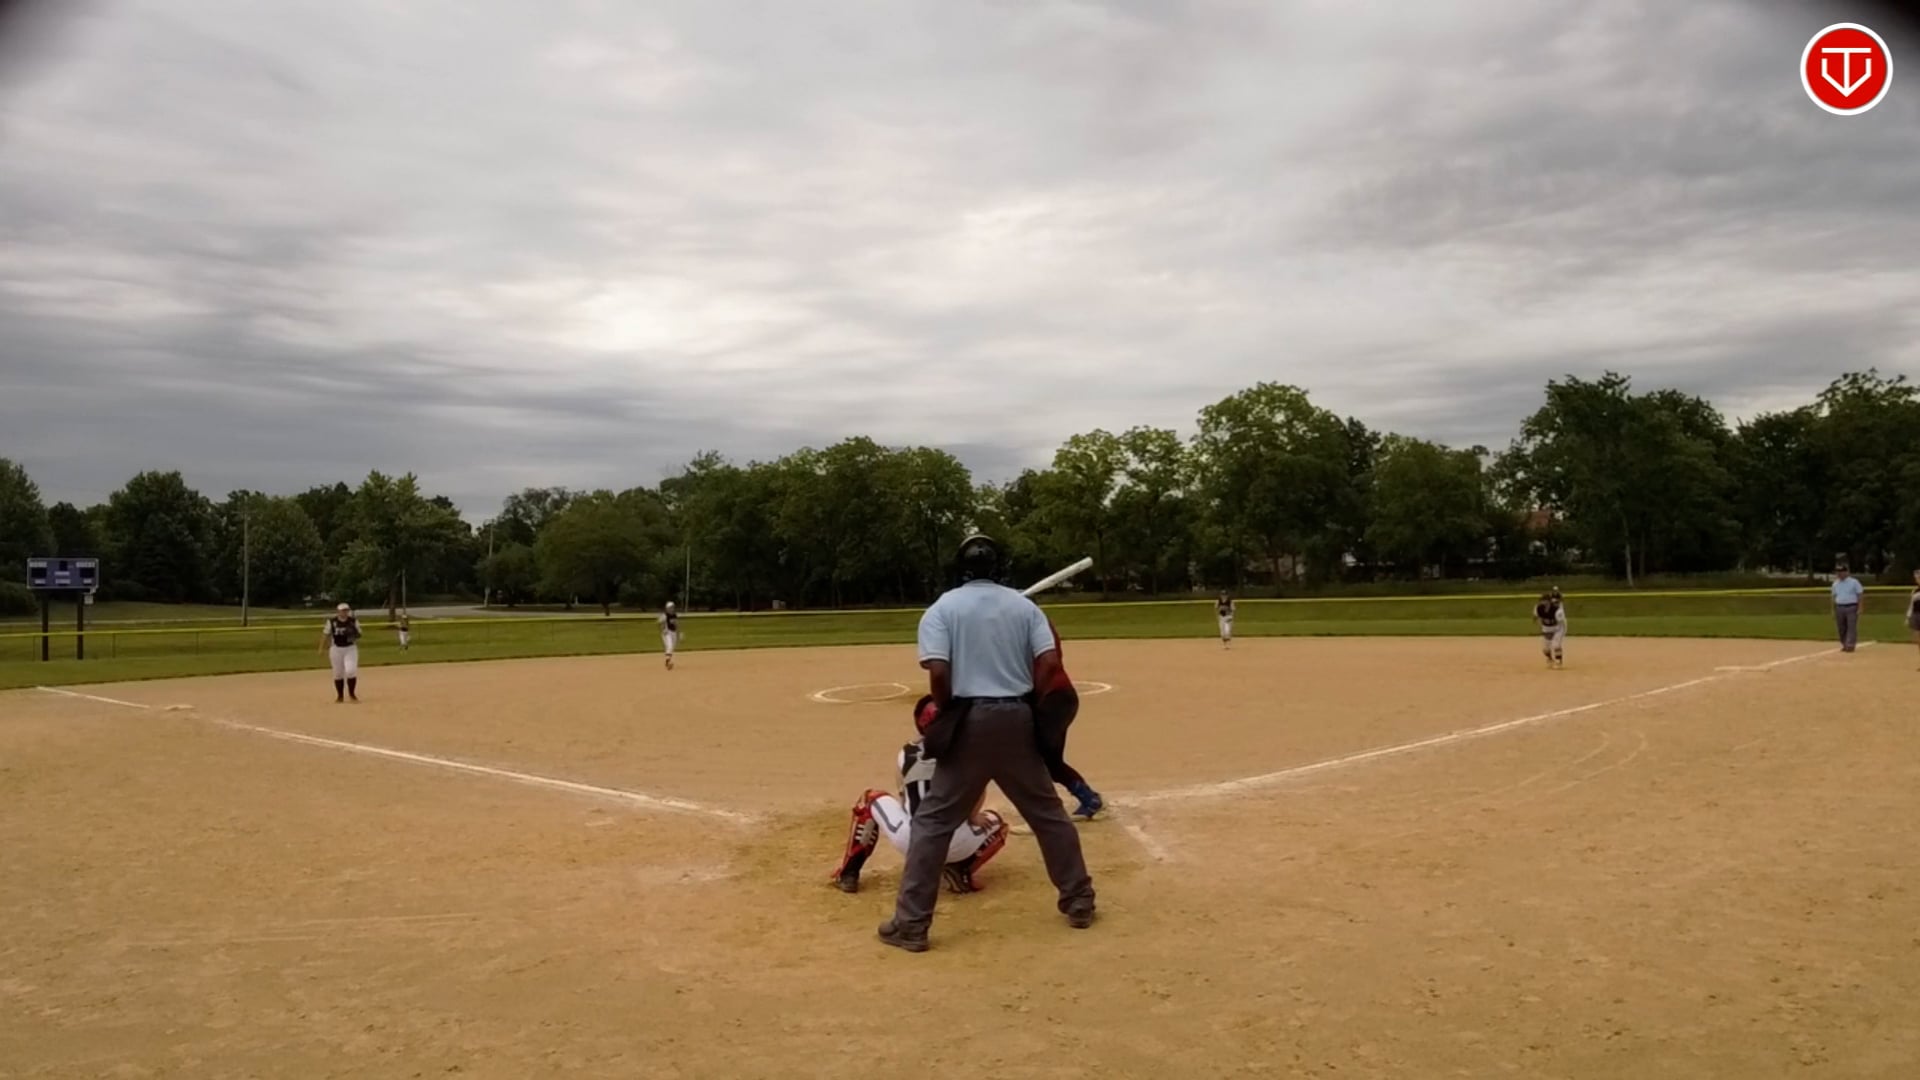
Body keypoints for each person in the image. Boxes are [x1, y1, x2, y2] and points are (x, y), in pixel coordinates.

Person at [878, 534, 1096, 952]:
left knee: (933, 824)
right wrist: (1027, 698)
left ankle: (912, 924)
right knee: (1048, 814)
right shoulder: (1024, 608)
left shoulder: (942, 608)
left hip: (968, 719)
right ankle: (1079, 900)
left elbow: (938, 672)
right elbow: (1050, 663)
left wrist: (949, 711)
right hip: (1017, 717)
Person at [831, 695, 1010, 896]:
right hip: (956, 843)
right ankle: (961, 869)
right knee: (997, 823)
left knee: (870, 799)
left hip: (912, 840)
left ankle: (848, 873)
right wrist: (972, 816)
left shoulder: (906, 752)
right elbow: (977, 789)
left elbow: (904, 797)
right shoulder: (970, 750)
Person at [1034, 617, 1104, 820]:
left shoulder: (1030, 624)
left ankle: (1044, 812)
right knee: (1050, 762)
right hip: (1060, 697)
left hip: (1050, 698)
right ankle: (1088, 798)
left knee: (1033, 759)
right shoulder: (1037, 622)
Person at [320, 602, 362, 702]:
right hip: (336, 649)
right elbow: (325, 634)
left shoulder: (353, 621)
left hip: (350, 649)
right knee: (338, 673)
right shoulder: (332, 622)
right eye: (342, 610)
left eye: (346, 610)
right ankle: (340, 696)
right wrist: (321, 648)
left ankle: (352, 694)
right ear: (338, 611)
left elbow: (359, 634)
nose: (344, 612)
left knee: (350, 671)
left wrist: (353, 634)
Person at [1831, 565, 1864, 653]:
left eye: (1841, 571)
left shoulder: (1854, 582)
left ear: (1846, 572)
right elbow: (1834, 597)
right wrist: (1833, 609)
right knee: (1841, 627)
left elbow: (1860, 594)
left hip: (1851, 606)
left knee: (1851, 626)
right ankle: (1845, 644)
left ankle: (1850, 645)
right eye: (1838, 572)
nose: (1839, 574)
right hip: (1839, 607)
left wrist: (1860, 607)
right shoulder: (1835, 584)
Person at [1534, 588, 1566, 669]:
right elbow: (1536, 617)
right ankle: (1550, 659)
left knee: (1556, 645)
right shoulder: (1538, 608)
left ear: (1549, 601)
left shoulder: (1556, 609)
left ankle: (1558, 661)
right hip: (1546, 628)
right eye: (1542, 601)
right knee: (1545, 649)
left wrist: (1558, 633)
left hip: (1558, 628)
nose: (1543, 603)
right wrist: (1542, 626)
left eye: (1545, 601)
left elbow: (1561, 622)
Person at [659, 601, 679, 670]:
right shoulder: (664, 615)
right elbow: (660, 623)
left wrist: (679, 633)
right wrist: (663, 629)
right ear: (667, 608)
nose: (672, 608)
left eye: (673, 607)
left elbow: (676, 624)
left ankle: (668, 660)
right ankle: (668, 662)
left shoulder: (674, 615)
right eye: (670, 607)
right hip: (667, 633)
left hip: (673, 633)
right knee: (669, 646)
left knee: (672, 647)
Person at [1907, 570, 1920, 668]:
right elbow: (1911, 605)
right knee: (1917, 639)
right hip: (1916, 615)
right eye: (1916, 578)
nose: (1917, 579)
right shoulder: (1914, 591)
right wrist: (1908, 617)